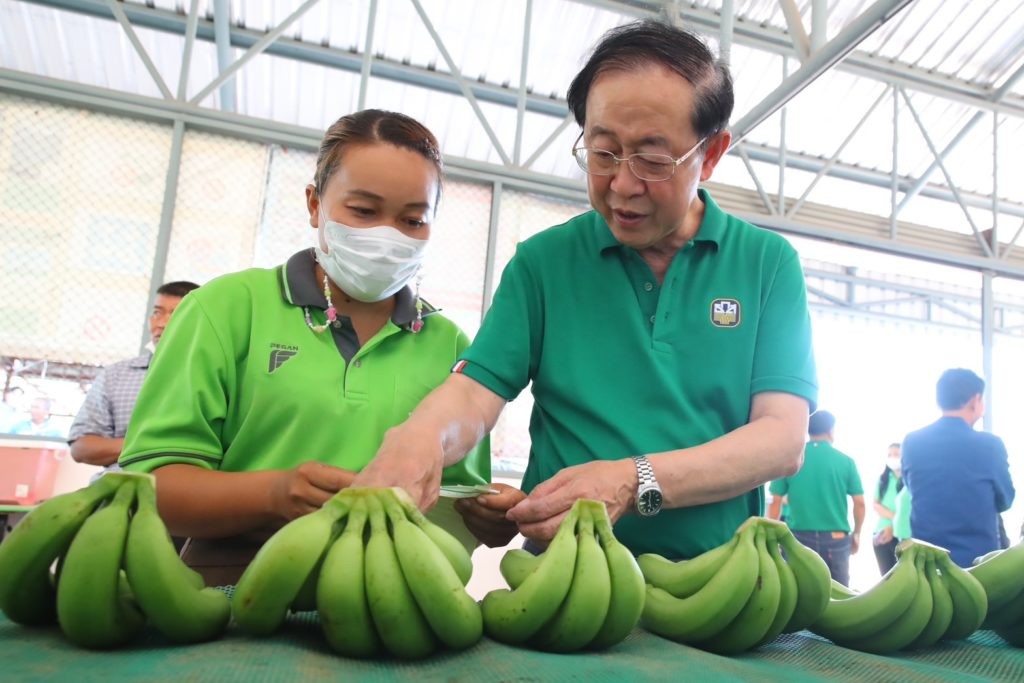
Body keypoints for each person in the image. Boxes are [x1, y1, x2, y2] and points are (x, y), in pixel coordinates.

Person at [353, 21, 817, 562]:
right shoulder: (543, 264)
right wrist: (422, 437)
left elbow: (782, 439)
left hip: (718, 583)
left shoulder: (767, 264)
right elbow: (476, 391)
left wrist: (634, 480)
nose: (622, 185)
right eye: (603, 153)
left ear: (710, 155)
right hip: (560, 577)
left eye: (651, 159)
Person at [119, 110, 492, 583]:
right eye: (363, 211)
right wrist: (273, 494)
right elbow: (152, 488)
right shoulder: (225, 309)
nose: (387, 236)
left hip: (393, 596)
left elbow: (458, 494)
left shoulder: (452, 344)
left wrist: (488, 516)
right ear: (315, 204)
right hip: (232, 592)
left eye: (413, 220)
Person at [68, 281, 200, 477]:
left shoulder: (219, 376)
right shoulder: (116, 376)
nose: (161, 323)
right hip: (118, 491)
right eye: (157, 312)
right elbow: (81, 448)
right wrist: (155, 447)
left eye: (175, 313)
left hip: (190, 494)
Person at [901, 368, 1015, 567]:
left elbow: (913, 490)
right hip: (978, 565)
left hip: (926, 564)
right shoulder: (990, 445)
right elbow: (1005, 500)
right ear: (975, 399)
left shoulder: (912, 442)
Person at [767, 411, 864, 586]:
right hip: (836, 538)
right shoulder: (846, 461)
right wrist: (856, 534)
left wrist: (770, 537)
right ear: (831, 430)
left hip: (796, 539)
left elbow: (775, 501)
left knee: (796, 592)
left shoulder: (791, 457)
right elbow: (860, 503)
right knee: (840, 596)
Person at [871, 442, 902, 575]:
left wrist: (896, 526)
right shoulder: (883, 479)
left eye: (896, 454)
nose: (892, 457)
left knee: (902, 579)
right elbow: (876, 505)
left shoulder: (910, 480)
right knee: (886, 579)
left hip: (902, 536)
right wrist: (896, 518)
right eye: (889, 455)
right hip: (881, 534)